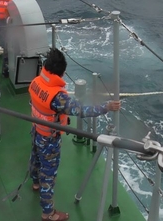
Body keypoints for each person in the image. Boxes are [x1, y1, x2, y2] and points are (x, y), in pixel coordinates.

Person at [29, 49, 121, 221]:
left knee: (35, 158)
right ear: (61, 72)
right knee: (48, 174)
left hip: (36, 129)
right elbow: (81, 111)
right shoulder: (57, 97)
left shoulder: (36, 82)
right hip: (49, 139)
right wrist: (106, 107)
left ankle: (35, 182)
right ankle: (48, 214)